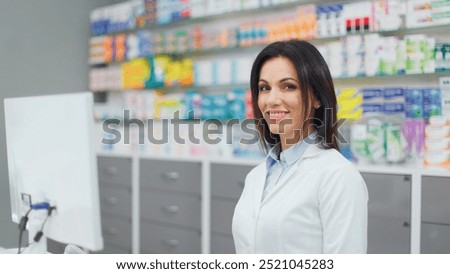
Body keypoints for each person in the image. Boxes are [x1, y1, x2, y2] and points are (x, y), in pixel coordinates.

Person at [232, 39, 368, 254]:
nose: (272, 100)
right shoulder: (257, 176)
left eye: (288, 86)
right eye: (264, 88)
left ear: (316, 97)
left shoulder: (339, 177)